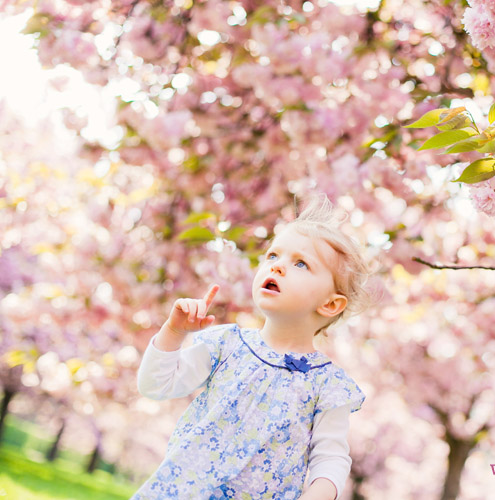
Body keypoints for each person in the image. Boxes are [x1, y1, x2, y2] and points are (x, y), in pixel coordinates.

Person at [133, 194, 376, 500]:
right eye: (273, 256)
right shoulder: (226, 345)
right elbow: (155, 385)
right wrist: (173, 332)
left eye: (301, 263)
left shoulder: (327, 386)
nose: (278, 268)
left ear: (330, 304)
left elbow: (331, 458)